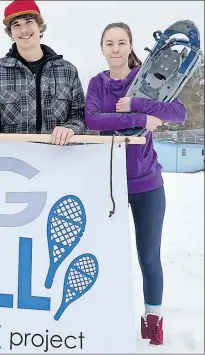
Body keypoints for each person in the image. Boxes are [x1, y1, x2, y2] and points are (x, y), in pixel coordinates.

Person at [85, 22, 187, 346]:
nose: (115, 48)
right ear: (102, 49)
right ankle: (108, 318)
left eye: (121, 42)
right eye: (109, 43)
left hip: (147, 185)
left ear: (130, 46)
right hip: (110, 185)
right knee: (107, 256)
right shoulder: (97, 84)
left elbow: (179, 112)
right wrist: (142, 119)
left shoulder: (143, 80)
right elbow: (93, 119)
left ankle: (152, 323)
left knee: (148, 257)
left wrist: (137, 104)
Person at [0, 0, 86, 144]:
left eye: (29, 22)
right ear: (10, 33)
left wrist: (70, 128)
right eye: (16, 25)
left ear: (40, 26)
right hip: (14, 161)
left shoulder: (68, 71)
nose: (24, 30)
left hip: (60, 159)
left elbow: (79, 116)